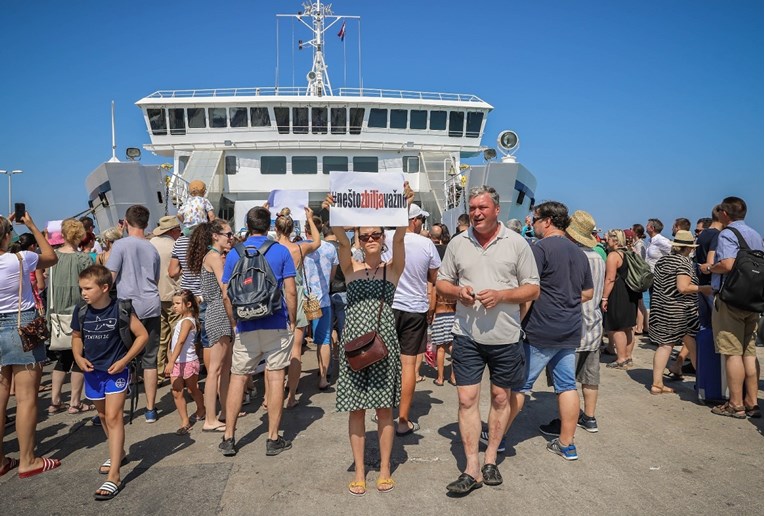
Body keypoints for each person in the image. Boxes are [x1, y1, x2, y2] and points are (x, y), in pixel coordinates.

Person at [437, 186, 540, 495]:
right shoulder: (457, 243)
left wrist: (502, 295)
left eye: (482, 207)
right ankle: (471, 467)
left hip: (506, 337)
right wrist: (458, 292)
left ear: (497, 210)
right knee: (466, 399)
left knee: (499, 398)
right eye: (473, 208)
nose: (477, 213)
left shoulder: (517, 243)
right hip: (466, 335)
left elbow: (533, 289)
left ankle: (491, 458)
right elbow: (442, 283)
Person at [325, 184, 411, 496]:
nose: (371, 239)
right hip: (354, 345)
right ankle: (360, 470)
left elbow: (401, 237)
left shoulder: (393, 268)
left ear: (383, 238)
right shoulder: (350, 268)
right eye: (365, 236)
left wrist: (402, 209)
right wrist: (335, 211)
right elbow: (340, 241)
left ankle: (385, 468)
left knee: (385, 410)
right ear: (359, 240)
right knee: (356, 410)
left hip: (384, 343)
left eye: (376, 235)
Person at [512, 202, 593, 461]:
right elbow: (588, 292)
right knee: (567, 385)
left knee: (520, 385)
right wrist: (565, 300)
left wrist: (516, 325)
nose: (532, 224)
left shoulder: (540, 249)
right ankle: (567, 444)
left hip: (540, 327)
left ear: (547, 221)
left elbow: (528, 291)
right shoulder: (580, 253)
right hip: (569, 327)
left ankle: (497, 436)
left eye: (535, 219)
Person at [219, 206, 297, 456]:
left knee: (238, 377)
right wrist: (292, 320)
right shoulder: (280, 251)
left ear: (248, 225)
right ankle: (273, 438)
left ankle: (229, 436)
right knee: (275, 378)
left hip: (245, 324)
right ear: (270, 226)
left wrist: (234, 322)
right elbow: (291, 291)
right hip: (275, 321)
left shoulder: (233, 254)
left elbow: (226, 294)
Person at [71, 265, 148, 500]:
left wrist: (125, 360)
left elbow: (142, 335)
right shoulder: (81, 310)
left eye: (87, 288)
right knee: (104, 417)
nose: (83, 292)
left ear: (105, 288)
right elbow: (76, 337)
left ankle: (114, 475)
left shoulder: (120, 308)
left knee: (114, 417)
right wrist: (78, 357)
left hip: (116, 371)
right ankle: (119, 453)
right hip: (92, 372)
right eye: (81, 288)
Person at [0, 212, 60, 478]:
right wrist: (32, 226)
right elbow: (51, 256)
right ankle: (28, 459)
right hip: (21, 326)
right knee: (26, 398)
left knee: (0, 399)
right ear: (6, 236)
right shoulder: (21, 258)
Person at [539, 210, 605, 435]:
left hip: (572, 322)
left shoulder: (574, 255)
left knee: (565, 381)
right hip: (594, 321)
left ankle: (564, 421)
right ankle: (590, 417)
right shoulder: (599, 256)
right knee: (590, 376)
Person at [386, 204, 440, 436]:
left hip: (388, 305)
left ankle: (384, 412)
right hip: (415, 308)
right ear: (414, 220)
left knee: (385, 361)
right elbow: (435, 276)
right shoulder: (426, 244)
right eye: (419, 219)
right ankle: (402, 419)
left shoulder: (385, 237)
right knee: (408, 365)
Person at [707, 197, 763, 419]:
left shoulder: (727, 234)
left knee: (732, 353)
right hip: (753, 299)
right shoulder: (755, 235)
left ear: (724, 214)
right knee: (749, 352)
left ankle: (736, 404)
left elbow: (728, 264)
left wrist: (711, 267)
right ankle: (752, 401)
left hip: (731, 299)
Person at [106, 205, 161, 423]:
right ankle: (150, 408)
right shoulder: (152, 248)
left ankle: (118, 401)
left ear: (126, 223)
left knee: (123, 355)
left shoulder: (120, 245)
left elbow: (110, 277)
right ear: (146, 224)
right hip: (151, 303)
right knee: (150, 357)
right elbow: (155, 278)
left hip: (127, 306)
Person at [187, 219, 236, 432]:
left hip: (216, 311)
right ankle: (210, 418)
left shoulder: (212, 256)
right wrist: (234, 319)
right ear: (215, 236)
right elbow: (225, 289)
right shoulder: (215, 257)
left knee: (223, 368)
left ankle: (223, 411)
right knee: (216, 369)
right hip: (218, 311)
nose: (231, 237)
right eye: (228, 234)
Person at [648, 230, 709, 394]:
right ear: (688, 248)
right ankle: (703, 385)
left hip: (661, 307)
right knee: (685, 345)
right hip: (681, 311)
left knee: (670, 345)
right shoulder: (683, 263)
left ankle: (658, 382)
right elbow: (683, 287)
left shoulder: (663, 261)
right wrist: (704, 288)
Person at [272, 207, 321, 409]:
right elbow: (317, 242)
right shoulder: (299, 248)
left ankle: (270, 396)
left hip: (275, 296)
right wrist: (310, 219)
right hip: (297, 295)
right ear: (292, 229)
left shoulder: (270, 248)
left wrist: (266, 212)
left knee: (273, 350)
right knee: (296, 349)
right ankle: (291, 395)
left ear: (276, 228)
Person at [47, 219, 95, 415]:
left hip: (56, 314)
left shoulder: (53, 257)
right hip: (78, 312)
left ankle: (55, 400)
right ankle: (75, 402)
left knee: (62, 359)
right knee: (79, 357)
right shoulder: (83, 260)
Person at [303, 215, 338, 390]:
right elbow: (332, 275)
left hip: (302, 298)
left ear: (306, 230)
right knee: (324, 340)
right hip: (322, 298)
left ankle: (288, 379)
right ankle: (323, 377)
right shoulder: (331, 249)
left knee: (294, 341)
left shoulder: (300, 247)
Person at [164, 289, 205, 435]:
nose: (174, 306)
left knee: (192, 389)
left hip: (187, 361)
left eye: (177, 303)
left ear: (188, 304)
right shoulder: (181, 320)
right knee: (176, 391)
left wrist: (171, 362)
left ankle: (201, 409)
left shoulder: (188, 321)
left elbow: (181, 342)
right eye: (173, 303)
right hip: (177, 362)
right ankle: (185, 420)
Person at [602, 229, 641, 369]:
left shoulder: (613, 256)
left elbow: (610, 279)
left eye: (609, 239)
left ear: (615, 240)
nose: (606, 240)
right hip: (631, 292)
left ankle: (621, 358)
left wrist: (604, 297)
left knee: (616, 326)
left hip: (618, 293)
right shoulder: (631, 253)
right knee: (628, 326)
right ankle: (628, 356)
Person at [149, 216, 181, 384]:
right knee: (178, 334)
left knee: (161, 336)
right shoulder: (175, 245)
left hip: (155, 294)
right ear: (173, 231)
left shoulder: (151, 244)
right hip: (173, 294)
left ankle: (160, 371)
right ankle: (178, 369)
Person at [430, 223, 456, 386]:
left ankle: (440, 378)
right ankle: (454, 376)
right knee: (454, 346)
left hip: (439, 314)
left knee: (440, 347)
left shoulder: (438, 283)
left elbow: (433, 299)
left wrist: (430, 314)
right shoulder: (452, 282)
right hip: (452, 313)